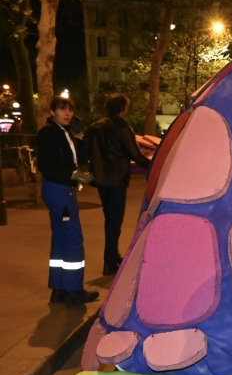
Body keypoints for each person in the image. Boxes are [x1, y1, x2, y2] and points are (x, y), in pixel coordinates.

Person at [37, 96, 99, 305]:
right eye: (62, 109)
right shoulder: (49, 133)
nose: (67, 114)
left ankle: (59, 290)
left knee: (61, 238)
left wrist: (80, 136)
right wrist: (73, 176)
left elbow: (80, 157)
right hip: (60, 192)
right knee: (72, 238)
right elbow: (47, 165)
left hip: (59, 190)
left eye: (70, 110)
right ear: (52, 111)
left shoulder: (64, 133)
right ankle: (73, 290)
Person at [84, 94, 150, 276]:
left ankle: (113, 255)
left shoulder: (94, 128)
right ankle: (109, 261)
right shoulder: (123, 128)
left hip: (100, 180)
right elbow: (135, 155)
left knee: (110, 219)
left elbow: (83, 151)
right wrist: (155, 164)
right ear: (123, 108)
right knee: (115, 221)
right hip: (117, 180)